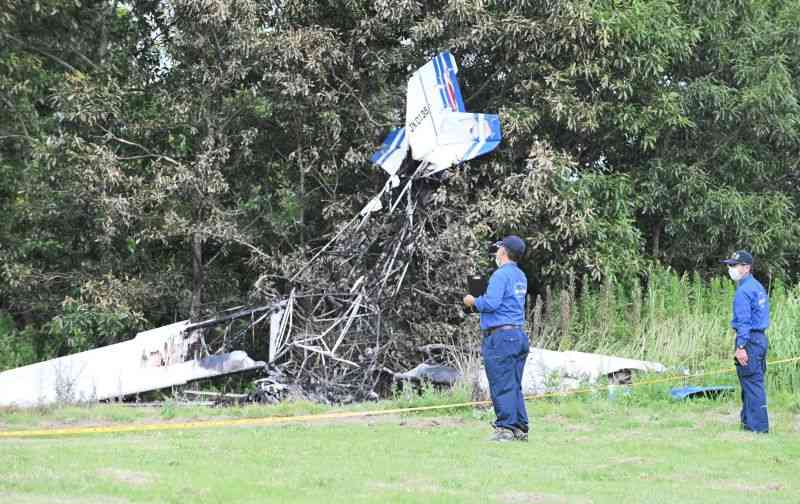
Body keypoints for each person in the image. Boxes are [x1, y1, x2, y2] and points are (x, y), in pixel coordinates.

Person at [463, 235, 529, 442]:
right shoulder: (520, 275)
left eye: (499, 248)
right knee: (513, 384)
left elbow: (491, 303)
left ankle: (505, 429)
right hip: (517, 335)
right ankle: (520, 427)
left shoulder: (500, 275)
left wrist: (472, 300)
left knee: (501, 384)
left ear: (503, 252)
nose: (496, 252)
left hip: (500, 337)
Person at [721, 250, 770, 433]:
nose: (730, 269)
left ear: (746, 268)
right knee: (751, 383)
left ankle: (758, 428)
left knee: (752, 383)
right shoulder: (757, 287)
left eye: (734, 265)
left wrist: (741, 346)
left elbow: (744, 322)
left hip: (749, 341)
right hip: (759, 339)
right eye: (730, 265)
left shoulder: (743, 292)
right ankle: (748, 424)